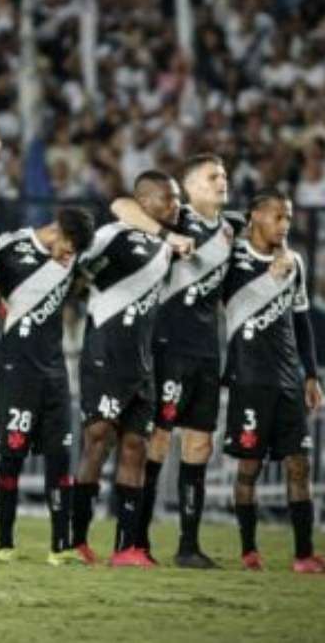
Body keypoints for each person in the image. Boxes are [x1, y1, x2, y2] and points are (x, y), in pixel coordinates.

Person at [111, 153, 244, 568]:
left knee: (199, 444)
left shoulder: (232, 227)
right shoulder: (176, 216)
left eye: (224, 175)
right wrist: (168, 237)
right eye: (212, 176)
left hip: (207, 350)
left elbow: (271, 230)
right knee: (157, 441)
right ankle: (136, 540)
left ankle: (188, 546)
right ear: (190, 186)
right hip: (167, 346)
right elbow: (120, 205)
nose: (222, 181)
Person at [222, 190, 325, 573]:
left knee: (299, 466)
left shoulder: (294, 262)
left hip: (288, 380)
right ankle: (249, 551)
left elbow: (301, 321)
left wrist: (311, 374)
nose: (285, 224)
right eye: (277, 216)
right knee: (249, 469)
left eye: (288, 217)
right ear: (255, 216)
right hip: (249, 380)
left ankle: (304, 555)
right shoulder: (233, 258)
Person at [72, 170, 178, 567]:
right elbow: (75, 272)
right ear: (144, 201)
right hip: (105, 352)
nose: (175, 206)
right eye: (168, 198)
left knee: (136, 448)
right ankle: (76, 540)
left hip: (142, 360)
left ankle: (126, 547)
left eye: (177, 199)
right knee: (97, 441)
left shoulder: (168, 246)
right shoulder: (112, 234)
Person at [0, 208, 95, 565]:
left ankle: (59, 547)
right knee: (12, 457)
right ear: (58, 232)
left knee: (60, 458)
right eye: (68, 249)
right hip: (16, 368)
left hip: (54, 370)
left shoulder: (74, 260)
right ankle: (5, 543)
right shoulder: (10, 247)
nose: (68, 257)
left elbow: (81, 286)